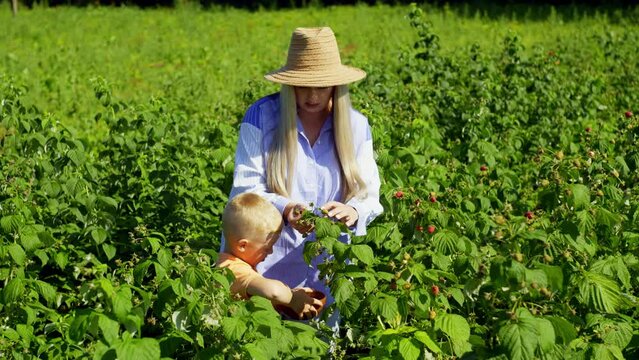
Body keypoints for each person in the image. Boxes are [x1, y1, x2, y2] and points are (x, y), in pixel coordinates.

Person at [222, 27, 383, 324]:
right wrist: (286, 208)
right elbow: (244, 192)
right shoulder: (261, 117)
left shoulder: (356, 126)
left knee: (320, 347)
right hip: (266, 269)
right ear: (289, 84)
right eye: (303, 85)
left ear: (336, 85)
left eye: (321, 86)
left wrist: (353, 210)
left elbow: (370, 194)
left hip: (328, 269)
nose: (312, 96)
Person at [216, 192, 323, 319]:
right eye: (267, 248)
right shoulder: (234, 270)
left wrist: (292, 295)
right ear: (243, 246)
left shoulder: (230, 262)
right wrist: (293, 298)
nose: (271, 252)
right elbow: (274, 292)